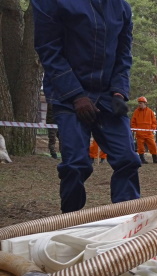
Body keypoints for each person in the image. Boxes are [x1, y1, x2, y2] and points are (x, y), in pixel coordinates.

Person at [32, 0, 141, 213]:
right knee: (75, 165)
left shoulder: (121, 7)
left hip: (108, 95)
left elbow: (123, 54)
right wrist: (75, 95)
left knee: (128, 159)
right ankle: (71, 222)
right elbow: (48, 50)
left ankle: (127, 219)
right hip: (67, 93)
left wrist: (119, 91)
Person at [131, 97, 157, 164]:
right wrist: (136, 130)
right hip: (140, 134)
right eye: (139, 103)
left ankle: (155, 159)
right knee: (140, 148)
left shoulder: (150, 111)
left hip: (149, 133)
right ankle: (142, 159)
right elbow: (133, 122)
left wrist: (152, 129)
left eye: (141, 103)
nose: (139, 104)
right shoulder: (136, 112)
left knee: (153, 146)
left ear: (145, 103)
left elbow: (154, 122)